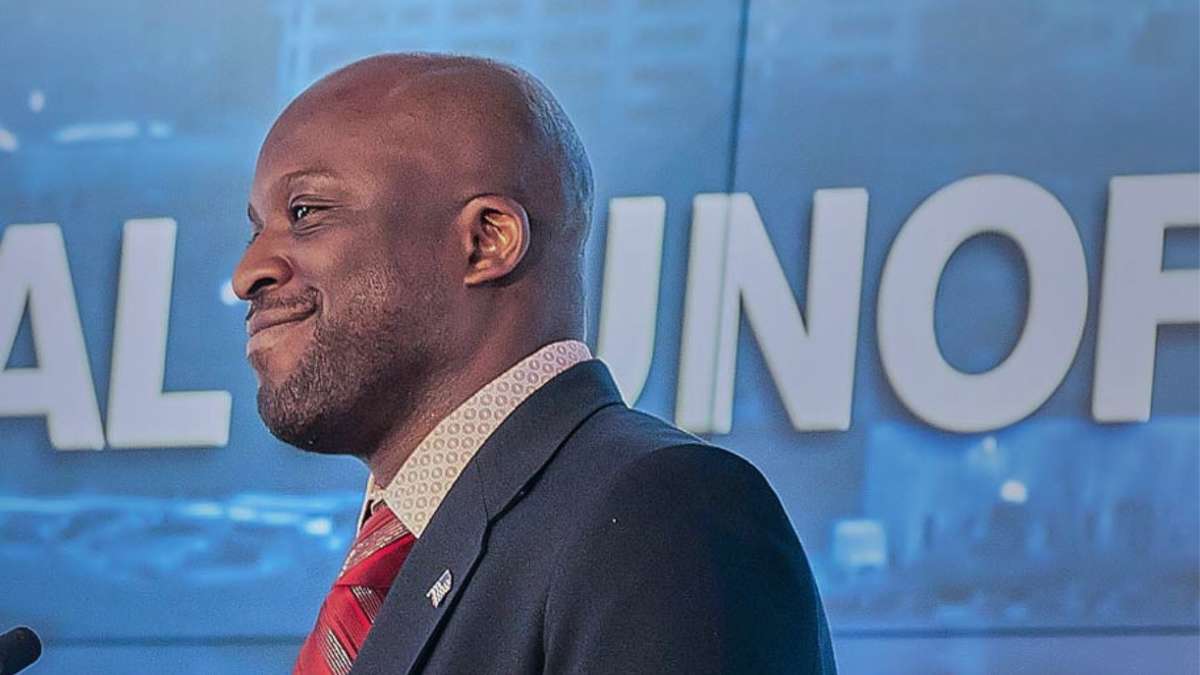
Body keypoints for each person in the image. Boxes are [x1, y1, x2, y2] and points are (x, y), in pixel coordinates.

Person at [233, 52, 836, 675]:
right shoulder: (404, 562)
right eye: (255, 231)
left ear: (487, 240)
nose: (247, 273)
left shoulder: (665, 512)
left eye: (305, 213)